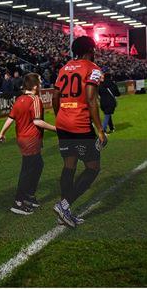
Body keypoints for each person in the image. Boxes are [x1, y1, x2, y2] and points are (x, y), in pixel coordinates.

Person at [52, 36, 107, 228]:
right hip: (80, 124)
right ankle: (64, 205)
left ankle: (64, 212)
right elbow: (91, 99)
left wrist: (61, 116)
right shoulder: (93, 68)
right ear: (91, 50)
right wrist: (100, 130)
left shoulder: (64, 67)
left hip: (63, 123)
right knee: (93, 167)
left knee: (69, 165)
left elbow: (55, 95)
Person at [0, 73, 56, 215]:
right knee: (28, 170)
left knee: (37, 165)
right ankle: (18, 201)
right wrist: (56, 129)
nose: (42, 84)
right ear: (35, 86)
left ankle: (29, 196)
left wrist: (2, 133)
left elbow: (10, 118)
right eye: (40, 82)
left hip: (23, 139)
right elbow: (37, 121)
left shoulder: (20, 99)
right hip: (31, 139)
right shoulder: (35, 99)